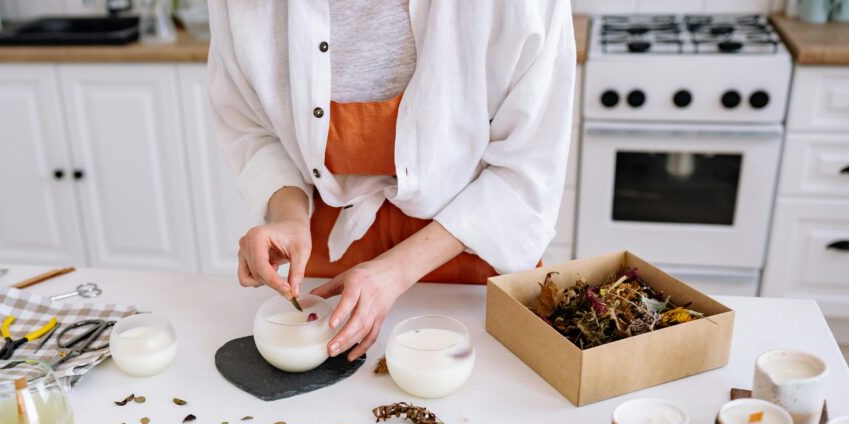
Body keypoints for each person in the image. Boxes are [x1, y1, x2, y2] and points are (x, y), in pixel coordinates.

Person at [208, 1, 575, 362]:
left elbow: (528, 169)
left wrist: (394, 271)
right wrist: (288, 215)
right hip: (328, 245)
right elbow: (250, 124)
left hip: (471, 246)